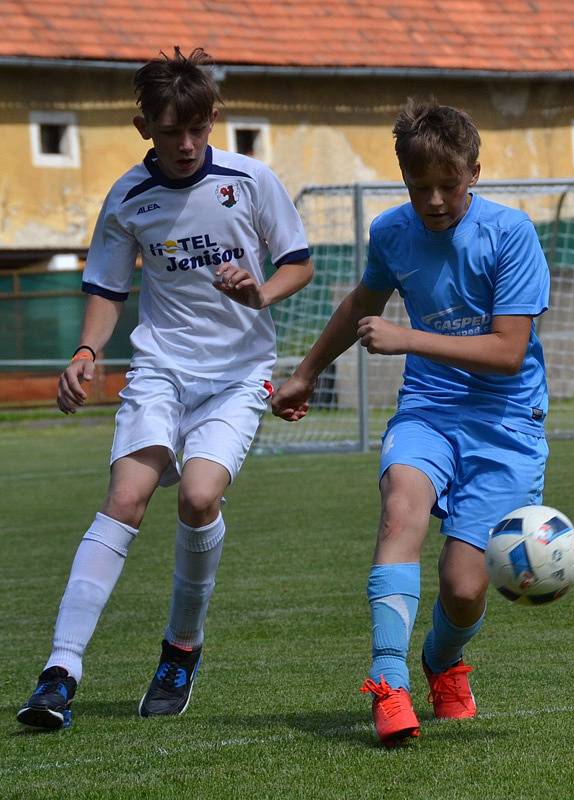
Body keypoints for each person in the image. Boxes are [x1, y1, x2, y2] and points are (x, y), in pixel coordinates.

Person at [17, 46, 313, 730]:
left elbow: (298, 263)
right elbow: (106, 289)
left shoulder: (250, 178)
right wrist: (87, 349)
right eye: (170, 129)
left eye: (197, 129)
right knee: (125, 497)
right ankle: (60, 671)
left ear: (214, 118)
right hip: (160, 370)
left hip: (238, 376)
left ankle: (180, 650)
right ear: (143, 124)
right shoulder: (127, 197)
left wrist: (259, 291)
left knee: (201, 498)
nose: (186, 144)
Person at [272, 97, 549, 747]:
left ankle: (442, 660)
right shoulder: (392, 233)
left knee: (462, 589)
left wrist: (409, 339)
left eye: (447, 185)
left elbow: (509, 353)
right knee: (402, 506)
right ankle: (388, 682)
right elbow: (360, 302)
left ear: (473, 173)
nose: (433, 200)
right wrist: (307, 371)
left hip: (506, 420)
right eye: (418, 186)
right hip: (428, 408)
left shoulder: (510, 236)